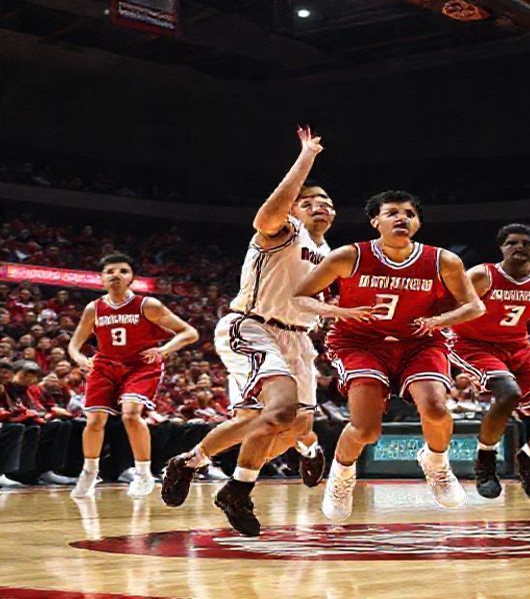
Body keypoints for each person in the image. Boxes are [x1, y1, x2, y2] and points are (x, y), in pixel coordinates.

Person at [161, 126, 334, 536]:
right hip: (253, 327)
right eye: (308, 202)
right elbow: (266, 215)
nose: (319, 207)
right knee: (277, 413)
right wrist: (306, 157)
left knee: (284, 426)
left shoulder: (327, 253)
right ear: (294, 210)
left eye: (326, 203)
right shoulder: (284, 230)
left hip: (297, 338)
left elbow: (309, 301)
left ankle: (190, 462)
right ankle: (237, 490)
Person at [293, 189, 485, 521]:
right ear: (375, 221)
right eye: (392, 213)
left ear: (418, 223)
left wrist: (441, 321)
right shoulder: (349, 256)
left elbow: (474, 306)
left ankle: (436, 462)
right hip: (360, 342)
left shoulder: (443, 261)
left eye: (409, 214)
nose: (402, 218)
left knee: (436, 408)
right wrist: (339, 312)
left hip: (420, 343)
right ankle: (341, 475)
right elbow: (300, 295)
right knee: (366, 430)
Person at [448, 223, 530, 499]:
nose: (519, 247)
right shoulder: (481, 275)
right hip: (472, 344)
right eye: (512, 242)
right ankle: (485, 461)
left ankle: (529, 459)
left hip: (517, 345)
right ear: (501, 248)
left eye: (526, 243)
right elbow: (447, 303)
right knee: (508, 393)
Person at [68, 253, 199, 498]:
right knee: (94, 421)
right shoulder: (93, 308)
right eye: (110, 271)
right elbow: (74, 344)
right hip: (105, 365)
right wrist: (81, 359)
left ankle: (142, 473)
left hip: (140, 365)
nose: (116, 275)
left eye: (123, 271)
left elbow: (189, 332)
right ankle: (89, 472)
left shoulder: (147, 305)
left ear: (131, 278)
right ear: (101, 278)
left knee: (130, 414)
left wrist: (163, 350)